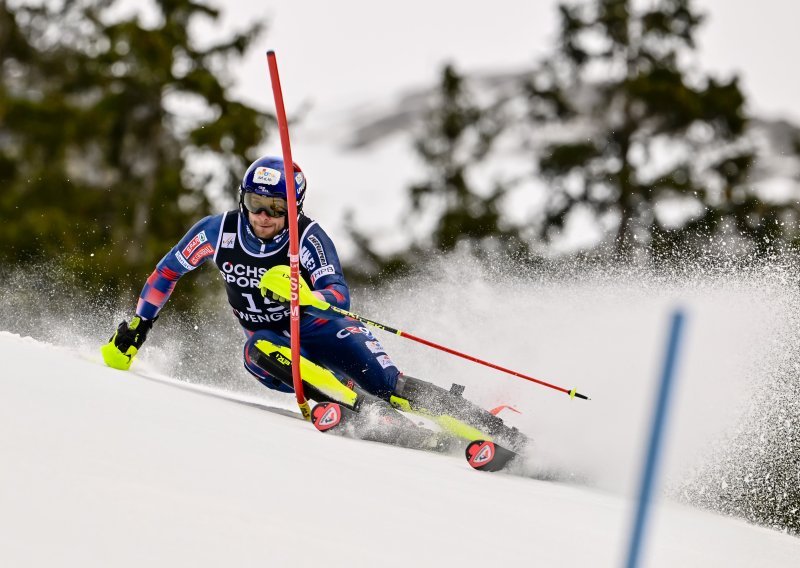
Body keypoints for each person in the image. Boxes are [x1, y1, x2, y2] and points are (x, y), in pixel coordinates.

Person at [101, 156, 525, 448]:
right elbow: (166, 272)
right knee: (255, 349)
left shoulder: (308, 237)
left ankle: (492, 431)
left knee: (389, 383)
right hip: (275, 346)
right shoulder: (218, 232)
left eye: (274, 208)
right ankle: (363, 413)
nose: (263, 217)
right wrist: (141, 324)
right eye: (254, 204)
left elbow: (338, 292)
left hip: (321, 327)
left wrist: (306, 292)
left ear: (293, 208)